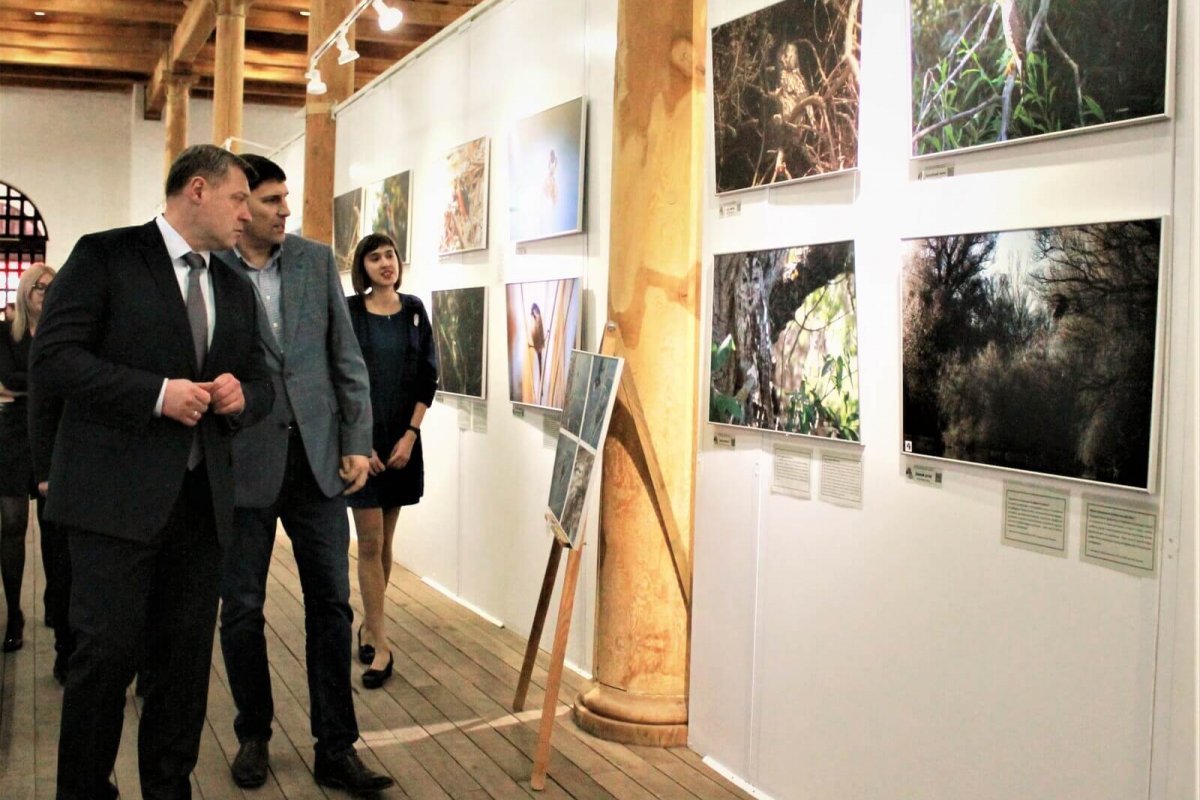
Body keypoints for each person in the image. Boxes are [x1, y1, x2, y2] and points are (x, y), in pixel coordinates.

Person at [30, 144, 274, 800]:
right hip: (112, 503)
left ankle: (169, 790)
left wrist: (243, 397)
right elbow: (54, 359)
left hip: (200, 509)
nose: (247, 215)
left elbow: (263, 381)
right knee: (104, 662)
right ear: (197, 189)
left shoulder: (234, 287)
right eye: (238, 199)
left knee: (183, 669)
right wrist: (156, 394)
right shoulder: (106, 256)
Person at [215, 154, 393, 795]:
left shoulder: (315, 262)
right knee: (242, 609)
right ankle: (253, 734)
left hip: (320, 463)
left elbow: (346, 359)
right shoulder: (213, 267)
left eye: (286, 198)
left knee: (332, 606)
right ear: (242, 206)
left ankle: (336, 747)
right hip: (244, 462)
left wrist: (356, 442)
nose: (285, 210)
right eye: (272, 200)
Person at [346, 232, 438, 688]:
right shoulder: (351, 312)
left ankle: (369, 625)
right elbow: (340, 379)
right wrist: (359, 444)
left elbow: (427, 378)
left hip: (402, 445)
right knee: (368, 543)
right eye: (375, 257)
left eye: (390, 256)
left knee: (384, 545)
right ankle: (381, 644)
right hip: (363, 448)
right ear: (361, 267)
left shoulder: (415, 311)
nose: (385, 263)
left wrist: (410, 436)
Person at [0, 263, 55, 654]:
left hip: (50, 432)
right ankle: (14, 613)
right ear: (25, 290)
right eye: (40, 287)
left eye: (53, 287)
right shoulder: (5, 333)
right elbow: (7, 378)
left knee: (54, 525)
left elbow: (17, 383)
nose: (46, 294)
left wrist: (23, 387)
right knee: (12, 523)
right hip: (13, 433)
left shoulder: (59, 332)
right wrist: (48, 384)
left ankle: (56, 602)